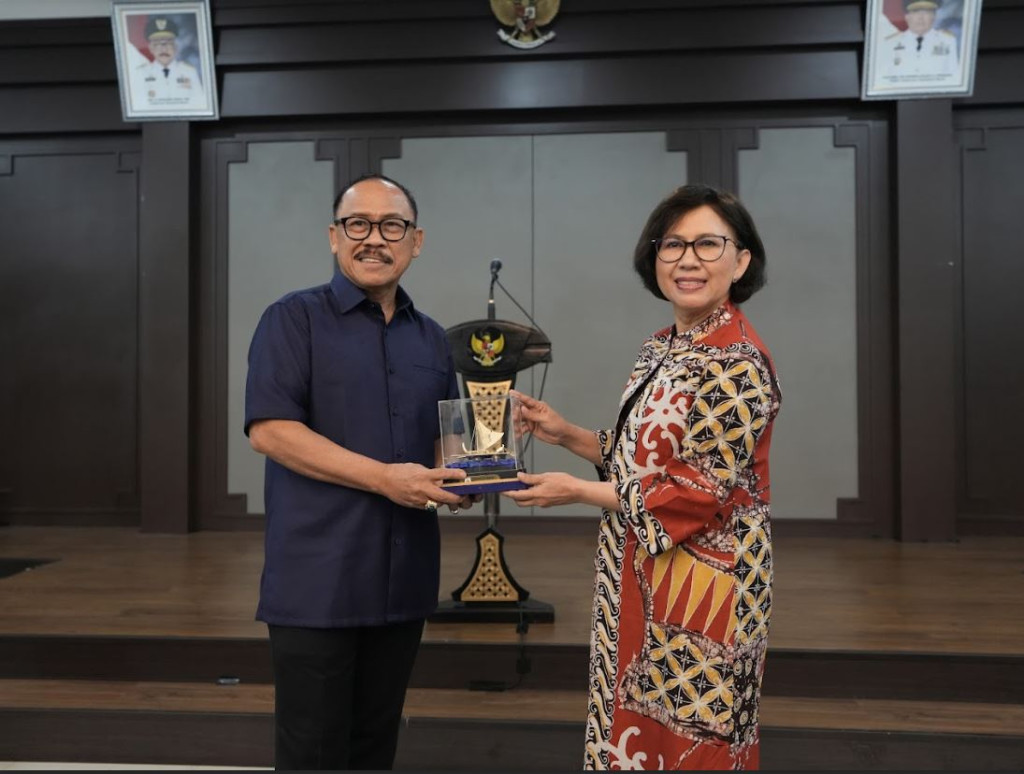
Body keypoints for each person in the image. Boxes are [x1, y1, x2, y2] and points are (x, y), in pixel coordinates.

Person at [506, 184, 781, 770]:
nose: (687, 259)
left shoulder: (737, 362)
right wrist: (566, 434)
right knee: (637, 731)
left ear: (741, 261)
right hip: (645, 568)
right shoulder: (663, 346)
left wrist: (577, 491)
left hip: (706, 586)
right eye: (672, 244)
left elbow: (694, 491)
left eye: (708, 244)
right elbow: (646, 460)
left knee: (691, 740)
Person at [244, 174, 474, 770]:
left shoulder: (430, 338)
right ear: (334, 236)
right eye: (358, 225)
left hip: (403, 579)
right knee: (313, 752)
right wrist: (386, 479)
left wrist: (476, 465)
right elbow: (270, 430)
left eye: (391, 225)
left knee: (375, 748)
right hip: (319, 578)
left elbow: (443, 445)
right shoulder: (293, 319)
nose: (374, 239)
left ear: (415, 241)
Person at [130, 16, 207, 110]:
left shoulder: (189, 72)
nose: (164, 49)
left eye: (168, 43)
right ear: (151, 48)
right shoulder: (141, 74)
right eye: (157, 44)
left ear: (175, 47)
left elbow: (200, 105)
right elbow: (138, 106)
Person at [875, 0, 959, 81]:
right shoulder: (891, 43)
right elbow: (883, 79)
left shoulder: (948, 41)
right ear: (906, 17)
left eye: (926, 12)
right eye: (915, 12)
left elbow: (953, 77)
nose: (920, 18)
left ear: (934, 16)